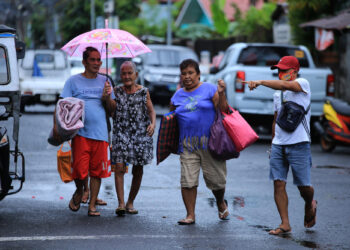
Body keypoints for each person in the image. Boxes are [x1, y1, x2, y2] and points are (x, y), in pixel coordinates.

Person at [245, 56, 317, 235]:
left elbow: (286, 85)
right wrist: (272, 143)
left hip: (299, 143)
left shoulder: (302, 84)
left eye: (284, 70)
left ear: (294, 71)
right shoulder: (278, 94)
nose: (281, 74)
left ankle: (310, 202)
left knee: (303, 186)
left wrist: (260, 81)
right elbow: (276, 120)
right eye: (279, 70)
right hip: (279, 144)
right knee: (278, 183)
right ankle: (285, 223)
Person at [54, 46, 116, 216]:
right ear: (84, 62)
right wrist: (57, 126)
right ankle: (80, 190)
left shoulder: (106, 81)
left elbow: (112, 110)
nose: (97, 63)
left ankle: (92, 205)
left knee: (98, 171)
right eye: (93, 60)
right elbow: (61, 105)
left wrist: (106, 97)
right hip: (79, 133)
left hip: (101, 133)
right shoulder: (73, 81)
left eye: (99, 60)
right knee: (80, 170)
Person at [170, 59, 229, 225]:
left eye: (190, 73)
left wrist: (222, 93)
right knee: (188, 180)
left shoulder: (210, 89)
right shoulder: (177, 95)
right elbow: (170, 119)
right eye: (184, 73)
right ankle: (190, 215)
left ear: (198, 74)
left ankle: (220, 201)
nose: (187, 77)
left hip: (210, 142)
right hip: (187, 144)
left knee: (217, 182)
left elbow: (224, 110)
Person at [104, 61, 156, 216]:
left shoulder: (144, 91)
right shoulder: (116, 91)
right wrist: (107, 96)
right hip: (121, 133)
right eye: (124, 74)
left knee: (138, 169)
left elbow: (151, 111)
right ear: (120, 76)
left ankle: (130, 202)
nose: (127, 76)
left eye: (129, 73)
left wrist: (153, 124)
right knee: (119, 168)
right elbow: (111, 110)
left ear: (136, 75)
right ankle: (120, 203)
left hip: (140, 135)